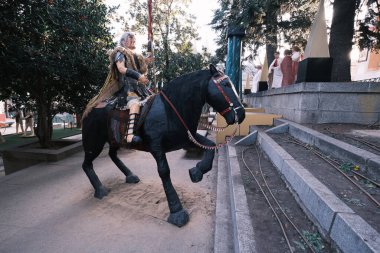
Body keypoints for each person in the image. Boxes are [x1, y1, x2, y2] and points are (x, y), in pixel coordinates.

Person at [82, 32, 151, 145]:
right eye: (130, 38)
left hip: (141, 89)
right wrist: (139, 76)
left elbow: (144, 65)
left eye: (134, 38)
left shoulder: (136, 56)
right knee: (134, 104)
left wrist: (148, 56)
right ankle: (129, 136)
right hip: (127, 90)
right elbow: (121, 69)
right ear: (123, 41)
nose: (133, 40)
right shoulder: (120, 52)